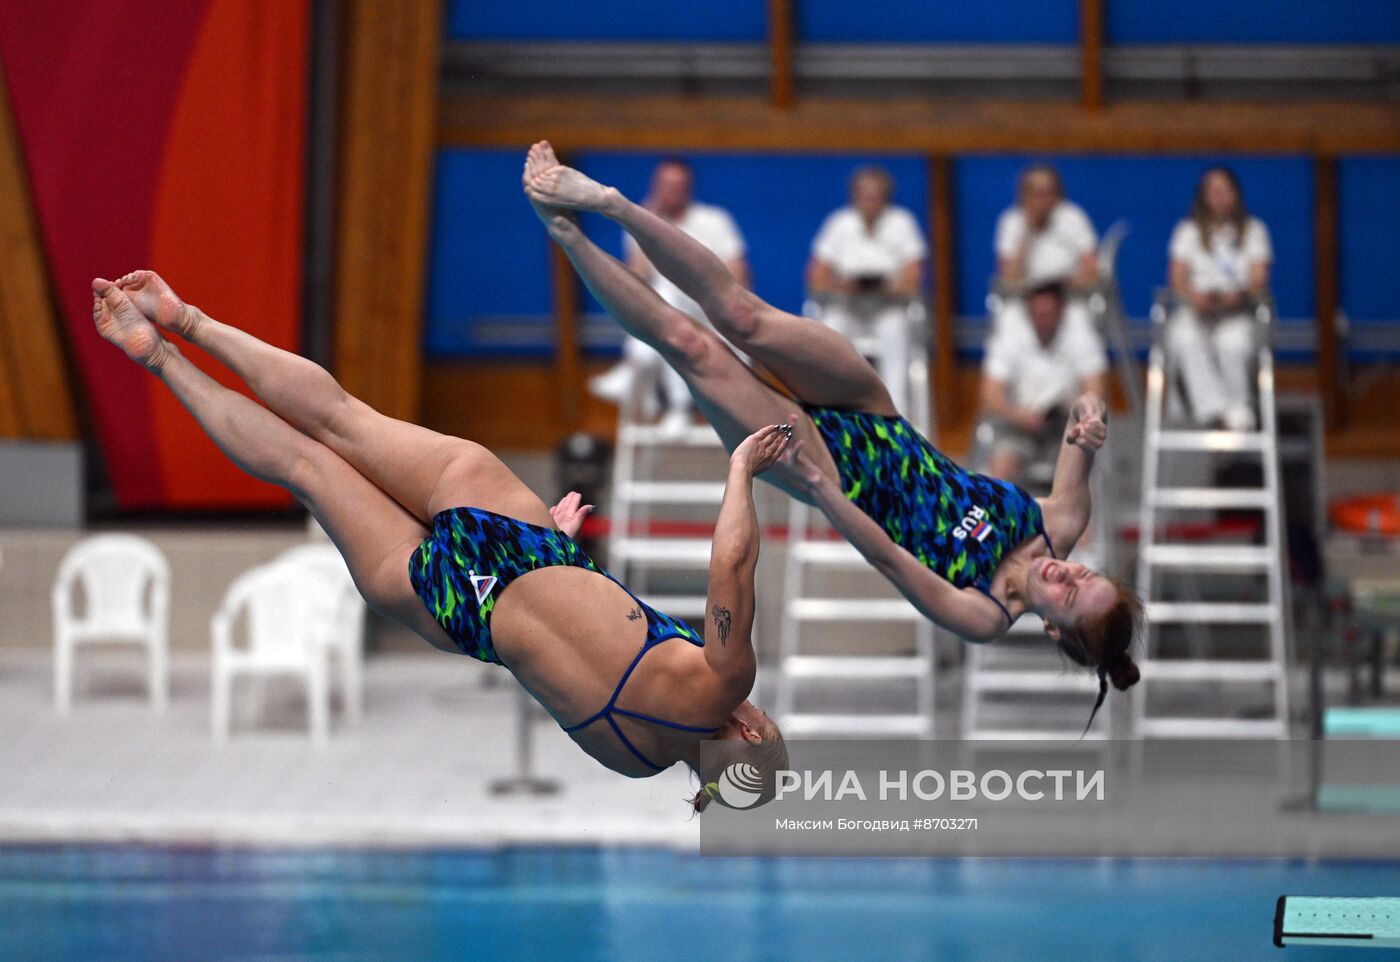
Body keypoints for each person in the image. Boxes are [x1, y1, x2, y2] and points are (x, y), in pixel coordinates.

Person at [90, 269, 785, 808]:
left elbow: (731, 562)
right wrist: (569, 564)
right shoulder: (630, 760)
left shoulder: (723, 682)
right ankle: (159, 358)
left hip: (513, 537)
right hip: (457, 609)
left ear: (751, 731)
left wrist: (740, 469)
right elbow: (561, 648)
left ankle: (185, 319)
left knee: (339, 421)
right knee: (304, 467)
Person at [523, 142, 1141, 726]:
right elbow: (1082, 414)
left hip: (833, 471)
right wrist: (1092, 416)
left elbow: (889, 558)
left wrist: (823, 490)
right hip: (877, 416)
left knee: (692, 347)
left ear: (1053, 627)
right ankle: (609, 202)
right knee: (741, 315)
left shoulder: (985, 613)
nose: (1068, 576)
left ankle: (564, 232)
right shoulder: (1059, 522)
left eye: (1070, 597)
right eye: (1085, 576)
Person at [590, 158, 750, 436]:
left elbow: (739, 275)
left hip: (710, 309)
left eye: (677, 186)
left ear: (689, 188)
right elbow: (637, 279)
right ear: (654, 186)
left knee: (667, 297)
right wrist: (642, 226)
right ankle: (676, 405)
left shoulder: (714, 220)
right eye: (664, 185)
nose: (670, 192)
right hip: (668, 317)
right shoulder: (640, 220)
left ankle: (636, 367)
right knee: (663, 300)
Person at [806, 166, 927, 412]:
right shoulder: (839, 224)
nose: (870, 202)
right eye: (865, 195)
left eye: (876, 195)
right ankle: (833, 410)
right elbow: (815, 276)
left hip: (888, 308)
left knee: (896, 332)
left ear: (886, 197)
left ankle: (894, 413)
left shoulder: (902, 223)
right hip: (847, 307)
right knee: (830, 329)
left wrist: (887, 287)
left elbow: (914, 277)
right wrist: (843, 285)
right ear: (854, 196)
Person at [1165, 166, 1272, 431]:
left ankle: (1239, 408)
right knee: (1183, 337)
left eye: (1225, 190)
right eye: (1213, 191)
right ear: (1203, 196)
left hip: (1238, 312)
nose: (1219, 197)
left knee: (1232, 343)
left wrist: (1239, 296)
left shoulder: (1254, 231)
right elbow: (1177, 279)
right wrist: (1195, 297)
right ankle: (1217, 413)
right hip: (1196, 311)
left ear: (1236, 194)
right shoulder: (1187, 231)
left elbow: (1259, 278)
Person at [977, 278, 1110, 487]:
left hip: (1067, 427)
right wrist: (1019, 415)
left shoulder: (1081, 330)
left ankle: (1079, 507)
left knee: (1081, 472)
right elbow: (990, 395)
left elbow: (1096, 391)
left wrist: (1076, 411)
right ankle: (1000, 509)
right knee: (1000, 470)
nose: (1043, 321)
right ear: (1028, 311)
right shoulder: (1009, 330)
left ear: (1061, 311)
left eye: (1049, 315)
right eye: (1038, 315)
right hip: (1017, 425)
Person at [995, 163, 1098, 296]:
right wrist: (1027, 230)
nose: (1045, 201)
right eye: (1038, 194)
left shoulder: (1072, 216)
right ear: (1024, 196)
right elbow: (1009, 277)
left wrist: (1063, 290)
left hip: (1069, 296)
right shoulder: (1011, 220)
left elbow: (1092, 269)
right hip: (1024, 297)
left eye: (1050, 193)